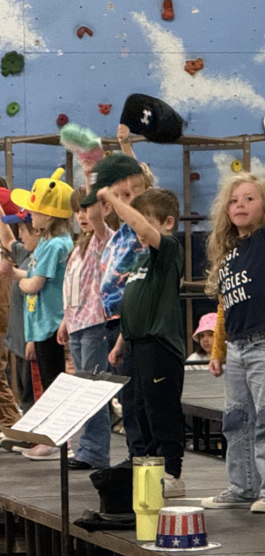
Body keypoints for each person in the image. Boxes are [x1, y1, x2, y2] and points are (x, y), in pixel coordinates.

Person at [201, 158, 265, 514]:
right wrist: (218, 349)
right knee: (236, 419)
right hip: (237, 348)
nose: (239, 205)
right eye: (233, 201)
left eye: (249, 199)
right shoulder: (230, 255)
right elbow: (225, 305)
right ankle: (243, 485)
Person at [106, 188, 187, 499]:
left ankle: (173, 471)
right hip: (138, 345)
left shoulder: (168, 251)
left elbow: (140, 227)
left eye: (146, 223)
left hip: (160, 346)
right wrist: (120, 345)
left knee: (161, 409)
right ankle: (151, 468)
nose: (138, 231)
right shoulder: (140, 262)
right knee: (139, 410)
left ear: (167, 223)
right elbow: (135, 306)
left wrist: (115, 201)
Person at [0, 169, 74, 461]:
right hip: (40, 326)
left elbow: (34, 284)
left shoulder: (56, 244)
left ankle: (56, 440)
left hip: (52, 325)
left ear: (50, 215)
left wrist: (14, 277)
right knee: (44, 383)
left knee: (54, 384)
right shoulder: (46, 243)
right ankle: (49, 437)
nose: (29, 217)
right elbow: (30, 275)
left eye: (34, 212)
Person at [96, 154, 149, 460]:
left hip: (133, 325)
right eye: (119, 196)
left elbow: (134, 292)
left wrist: (128, 147)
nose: (124, 201)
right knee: (127, 399)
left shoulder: (143, 235)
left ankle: (145, 460)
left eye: (131, 195)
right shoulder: (119, 238)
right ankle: (134, 458)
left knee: (139, 400)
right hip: (113, 322)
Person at [59, 186, 115, 470]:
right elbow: (73, 287)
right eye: (77, 210)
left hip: (95, 324)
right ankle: (88, 448)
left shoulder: (102, 241)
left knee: (94, 390)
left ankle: (94, 451)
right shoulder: (78, 246)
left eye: (86, 209)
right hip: (78, 325)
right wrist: (65, 321)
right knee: (83, 389)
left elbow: (99, 225)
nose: (82, 216)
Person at [2, 213, 39, 415]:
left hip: (32, 341)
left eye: (24, 230)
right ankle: (29, 436)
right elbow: (7, 239)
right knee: (25, 393)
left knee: (34, 393)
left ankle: (42, 440)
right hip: (20, 341)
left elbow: (34, 285)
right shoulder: (26, 253)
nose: (20, 234)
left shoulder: (42, 255)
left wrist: (13, 273)